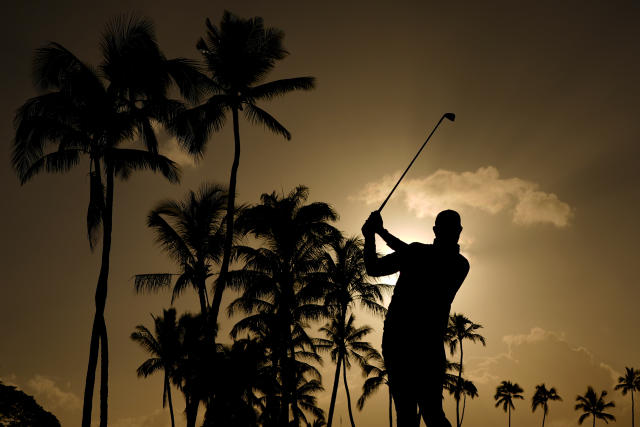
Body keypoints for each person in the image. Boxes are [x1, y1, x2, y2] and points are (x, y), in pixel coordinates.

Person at [362, 210, 469, 427]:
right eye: (450, 229)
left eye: (452, 229)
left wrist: (375, 233)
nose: (452, 233)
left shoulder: (450, 262)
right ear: (456, 231)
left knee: (420, 414)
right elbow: (393, 259)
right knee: (421, 414)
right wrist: (377, 234)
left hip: (409, 342)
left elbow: (409, 256)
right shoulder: (451, 262)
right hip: (414, 343)